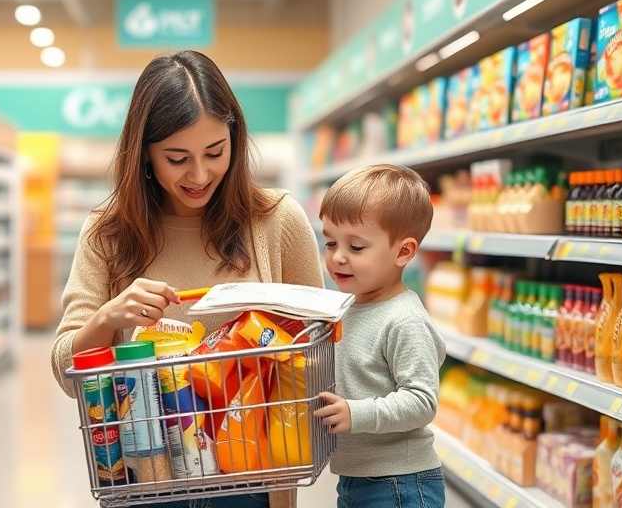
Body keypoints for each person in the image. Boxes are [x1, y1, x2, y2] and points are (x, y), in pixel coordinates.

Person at [50, 50, 323, 508]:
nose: (200, 174)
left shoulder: (277, 221)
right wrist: (108, 318)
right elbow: (66, 370)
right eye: (177, 158)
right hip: (148, 483)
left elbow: (318, 347)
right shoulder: (106, 232)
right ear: (144, 154)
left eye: (215, 152)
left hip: (253, 484)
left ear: (234, 138)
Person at [312, 164, 447, 508]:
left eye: (356, 247)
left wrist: (355, 413)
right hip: (356, 478)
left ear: (403, 252)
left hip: (399, 482)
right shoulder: (348, 307)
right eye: (330, 242)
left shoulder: (405, 321)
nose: (338, 257)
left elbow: (422, 401)